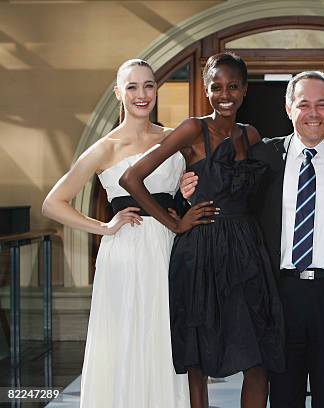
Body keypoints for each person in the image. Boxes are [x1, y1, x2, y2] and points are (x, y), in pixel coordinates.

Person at [181, 70, 324, 408]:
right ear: (288, 109)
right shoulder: (263, 155)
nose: (312, 113)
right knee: (284, 396)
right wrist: (189, 193)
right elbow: (225, 190)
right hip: (276, 296)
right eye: (303, 104)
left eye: (321, 104)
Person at [120, 52, 284, 408]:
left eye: (233, 86)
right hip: (201, 250)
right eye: (216, 87)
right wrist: (176, 223)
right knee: (199, 358)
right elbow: (131, 179)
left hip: (246, 249)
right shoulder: (192, 128)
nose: (225, 94)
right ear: (206, 90)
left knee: (257, 358)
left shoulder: (251, 135)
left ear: (244, 91)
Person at [42, 59, 189, 407]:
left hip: (169, 250)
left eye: (149, 85)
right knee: (125, 336)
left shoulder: (174, 139)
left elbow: (189, 191)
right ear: (118, 93)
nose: (142, 94)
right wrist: (105, 228)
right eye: (133, 87)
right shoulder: (105, 147)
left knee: (165, 337)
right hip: (124, 253)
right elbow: (53, 203)